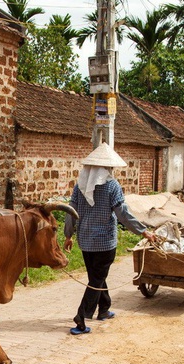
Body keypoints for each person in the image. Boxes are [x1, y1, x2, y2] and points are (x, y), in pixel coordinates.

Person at [63, 142, 156, 336]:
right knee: (96, 279)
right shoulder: (112, 186)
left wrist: (68, 235)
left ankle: (104, 309)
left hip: (86, 242)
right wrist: (142, 231)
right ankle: (82, 317)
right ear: (107, 168)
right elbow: (122, 214)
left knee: (96, 277)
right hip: (105, 243)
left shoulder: (79, 187)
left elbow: (70, 212)